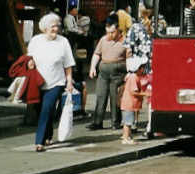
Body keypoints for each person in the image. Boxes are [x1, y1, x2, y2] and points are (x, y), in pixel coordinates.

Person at [27, 13, 76, 152]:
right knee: (40, 110)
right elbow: (29, 57)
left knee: (47, 109)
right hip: (37, 83)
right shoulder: (36, 40)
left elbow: (68, 64)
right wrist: (30, 62)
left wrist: (69, 82)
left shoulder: (63, 42)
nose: (55, 29)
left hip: (56, 82)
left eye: (57, 26)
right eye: (52, 26)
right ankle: (48, 134)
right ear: (44, 27)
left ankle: (39, 141)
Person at [87, 14, 128, 130]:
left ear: (118, 29)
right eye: (108, 32)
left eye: (112, 32)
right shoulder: (103, 40)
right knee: (100, 96)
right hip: (103, 72)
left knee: (115, 99)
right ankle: (97, 122)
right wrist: (92, 68)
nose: (109, 35)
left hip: (118, 73)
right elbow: (96, 54)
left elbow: (129, 58)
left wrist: (128, 73)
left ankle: (115, 123)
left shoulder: (125, 41)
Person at [123, 5, 155, 138]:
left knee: (134, 96)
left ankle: (134, 123)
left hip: (139, 67)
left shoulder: (135, 27)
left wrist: (129, 69)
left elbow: (128, 49)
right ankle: (150, 125)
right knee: (151, 97)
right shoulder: (161, 24)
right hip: (154, 66)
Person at [120, 56, 151, 144]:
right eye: (142, 67)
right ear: (138, 68)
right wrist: (145, 94)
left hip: (129, 104)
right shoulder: (134, 77)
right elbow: (134, 92)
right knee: (128, 122)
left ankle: (127, 136)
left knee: (128, 121)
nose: (143, 69)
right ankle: (126, 138)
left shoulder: (132, 76)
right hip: (129, 104)